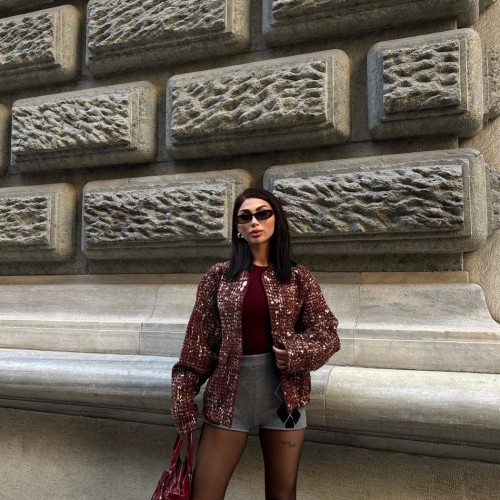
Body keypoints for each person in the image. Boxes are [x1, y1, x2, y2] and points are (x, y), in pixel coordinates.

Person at [171, 187, 340, 500]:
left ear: (277, 219)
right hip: (228, 397)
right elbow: (199, 342)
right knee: (204, 494)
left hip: (284, 399)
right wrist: (183, 394)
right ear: (238, 227)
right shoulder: (219, 276)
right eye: (245, 216)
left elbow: (327, 331)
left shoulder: (298, 277)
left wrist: (297, 353)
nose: (254, 221)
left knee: (282, 495)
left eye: (263, 213)